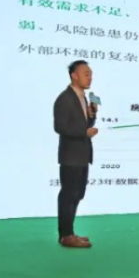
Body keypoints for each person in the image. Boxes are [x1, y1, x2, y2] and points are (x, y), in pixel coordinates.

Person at [54, 60, 98, 248]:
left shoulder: (83, 98)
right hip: (70, 156)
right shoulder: (65, 98)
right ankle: (65, 235)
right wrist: (84, 132)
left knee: (77, 194)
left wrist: (92, 114)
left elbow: (84, 124)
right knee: (68, 195)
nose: (90, 77)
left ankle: (70, 233)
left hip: (82, 155)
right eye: (86, 73)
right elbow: (60, 126)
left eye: (91, 74)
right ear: (74, 75)